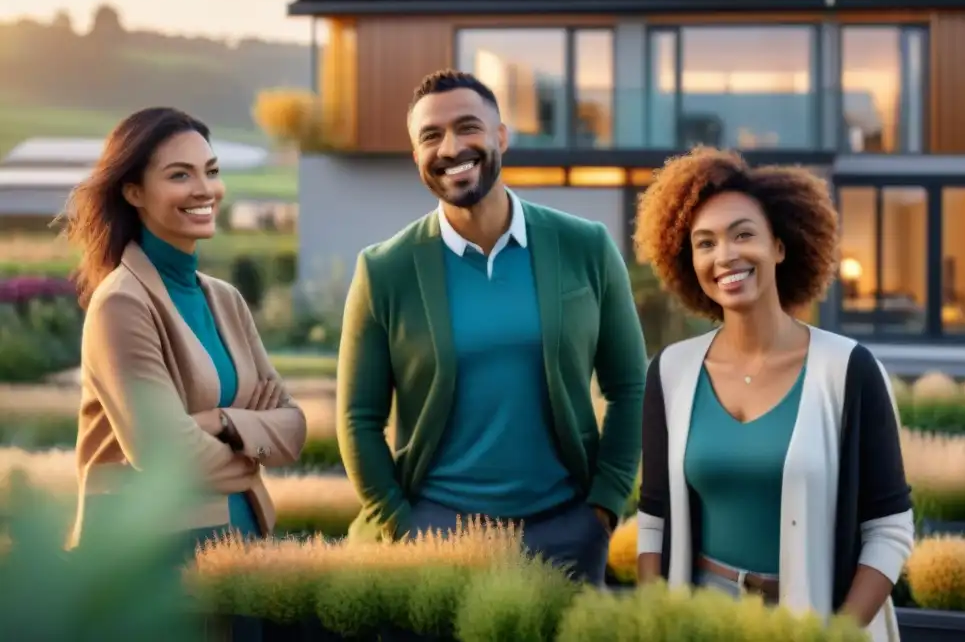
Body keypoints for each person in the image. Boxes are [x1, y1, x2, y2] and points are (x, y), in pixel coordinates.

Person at [336, 69, 647, 584]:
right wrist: (400, 523)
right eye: (430, 136)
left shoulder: (586, 247)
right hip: (435, 536)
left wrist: (605, 506)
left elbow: (630, 386)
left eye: (468, 127)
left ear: (501, 136)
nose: (451, 147)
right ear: (416, 155)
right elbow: (357, 418)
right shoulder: (384, 269)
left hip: (566, 532)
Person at [632, 148, 913, 642]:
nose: (725, 256)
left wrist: (835, 634)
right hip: (702, 621)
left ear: (780, 246)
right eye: (705, 243)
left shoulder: (848, 370)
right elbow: (654, 520)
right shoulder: (670, 372)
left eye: (743, 234)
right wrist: (657, 623)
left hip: (816, 622)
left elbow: (889, 530)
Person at [64, 107, 307, 555]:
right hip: (151, 565)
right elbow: (167, 457)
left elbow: (292, 427)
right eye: (180, 175)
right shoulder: (122, 304)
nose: (205, 190)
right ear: (134, 191)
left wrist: (220, 422)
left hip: (243, 549)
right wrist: (252, 453)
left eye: (211, 171)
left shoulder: (226, 300)